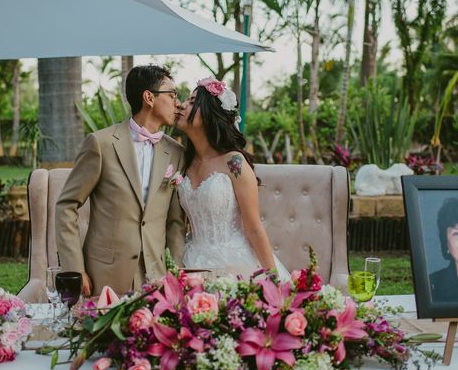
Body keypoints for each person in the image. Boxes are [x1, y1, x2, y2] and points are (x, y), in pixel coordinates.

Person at [55, 65, 186, 296]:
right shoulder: (101, 143)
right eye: (172, 94)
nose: (178, 102)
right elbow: (66, 205)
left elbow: (175, 222)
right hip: (104, 277)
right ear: (149, 97)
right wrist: (75, 269)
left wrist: (175, 273)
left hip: (156, 280)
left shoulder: (176, 152)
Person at [174, 77, 290, 280]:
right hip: (191, 261)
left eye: (192, 102)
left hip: (234, 264)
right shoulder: (182, 162)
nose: (182, 105)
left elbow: (254, 228)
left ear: (210, 114)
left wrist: (274, 281)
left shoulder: (234, 162)